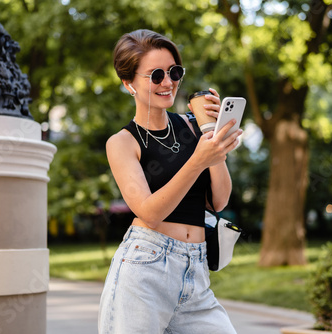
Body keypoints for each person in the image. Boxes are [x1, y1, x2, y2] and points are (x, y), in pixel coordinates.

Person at [98, 29, 242, 334]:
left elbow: (219, 200)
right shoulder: (123, 143)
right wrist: (198, 160)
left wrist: (212, 136)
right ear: (128, 84)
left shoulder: (192, 128)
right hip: (145, 271)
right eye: (156, 75)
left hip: (196, 271)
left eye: (174, 71)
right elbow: (149, 212)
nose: (168, 82)